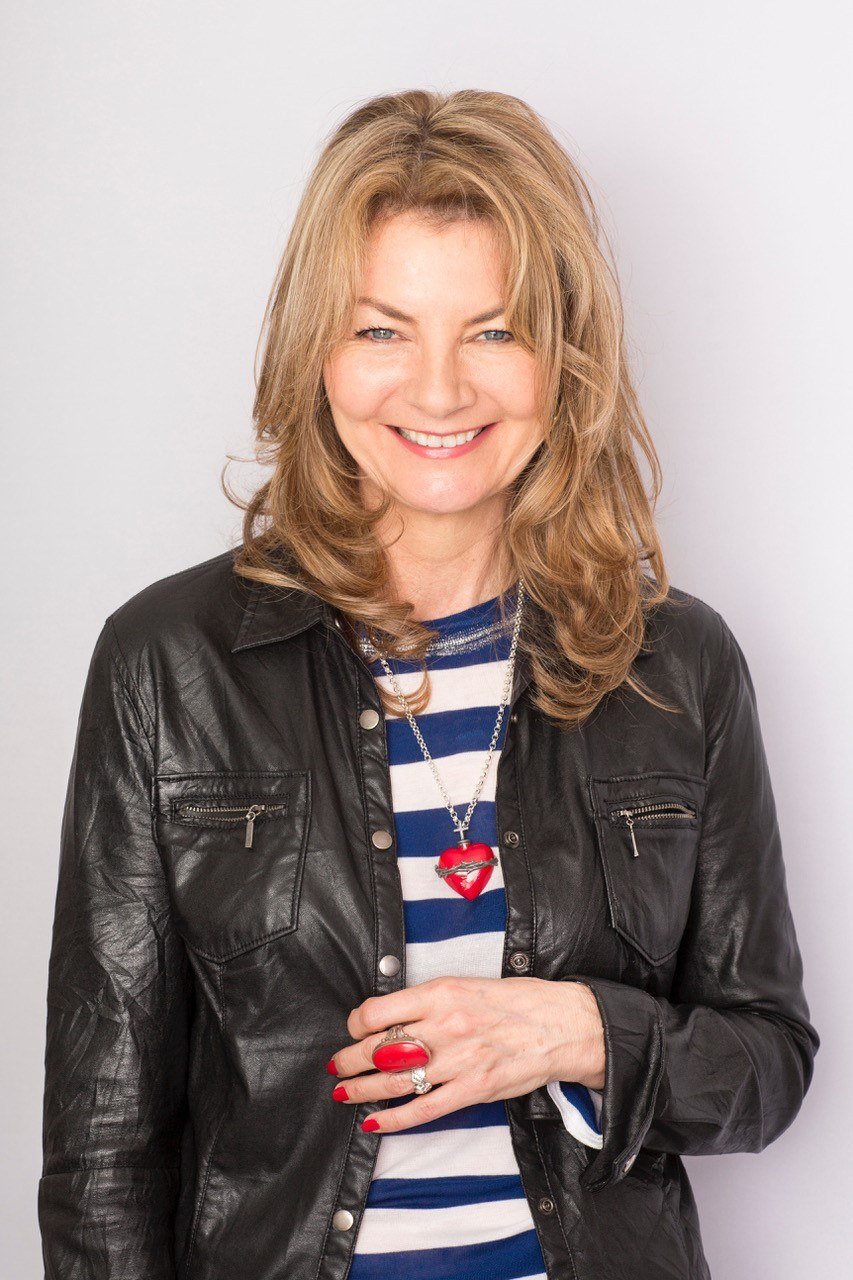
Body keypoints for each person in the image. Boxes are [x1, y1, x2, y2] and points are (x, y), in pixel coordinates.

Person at [38, 88, 818, 1280]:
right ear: (317, 350)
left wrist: (578, 1030)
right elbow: (104, 1142)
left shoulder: (679, 664)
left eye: (495, 330)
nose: (440, 389)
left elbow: (765, 1067)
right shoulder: (169, 662)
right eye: (383, 329)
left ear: (567, 358)